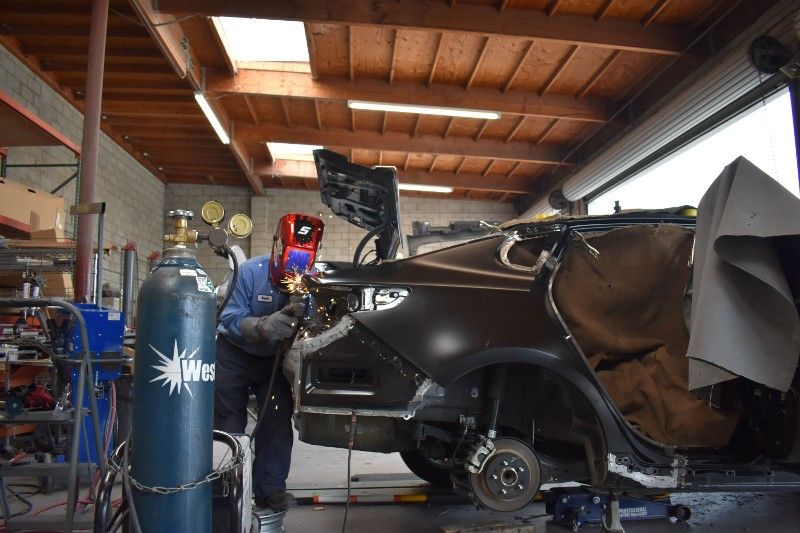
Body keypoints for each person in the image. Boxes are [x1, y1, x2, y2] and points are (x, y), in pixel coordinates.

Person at [215, 214, 324, 511]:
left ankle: (270, 489)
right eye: (293, 257)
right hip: (233, 355)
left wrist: (308, 317)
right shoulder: (250, 272)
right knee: (228, 422)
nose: (297, 267)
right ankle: (225, 486)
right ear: (279, 248)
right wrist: (262, 327)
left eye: (305, 259)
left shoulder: (310, 280)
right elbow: (229, 318)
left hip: (272, 362)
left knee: (276, 422)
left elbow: (316, 323)